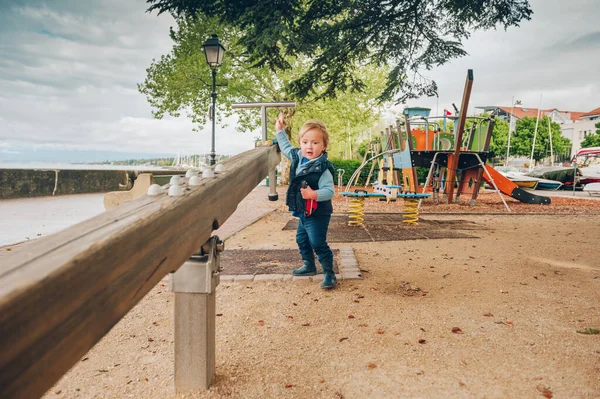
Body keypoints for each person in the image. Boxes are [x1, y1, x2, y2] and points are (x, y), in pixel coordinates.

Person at [275, 113, 337, 289]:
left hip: (318, 212)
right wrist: (280, 131)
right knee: (302, 238)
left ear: (324, 146)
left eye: (315, 142)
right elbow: (286, 147)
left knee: (317, 241)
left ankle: (329, 273)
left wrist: (314, 194)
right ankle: (309, 265)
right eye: (305, 142)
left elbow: (329, 191)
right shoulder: (297, 156)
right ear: (300, 143)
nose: (309, 146)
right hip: (304, 210)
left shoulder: (323, 168)